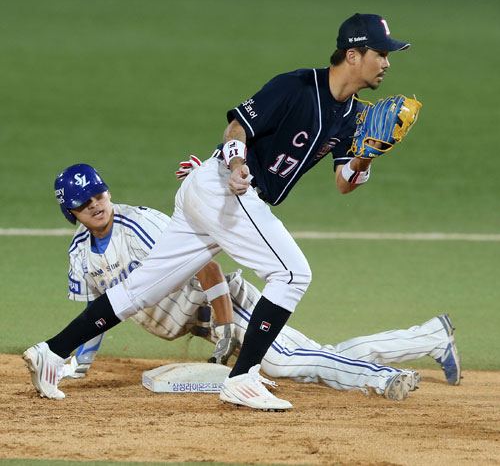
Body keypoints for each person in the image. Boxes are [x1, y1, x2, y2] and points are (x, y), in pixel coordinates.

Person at [24, 13, 426, 411]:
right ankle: (243, 377)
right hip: (221, 185)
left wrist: (365, 159)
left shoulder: (356, 115)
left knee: (138, 290)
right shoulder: (297, 86)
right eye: (381, 53)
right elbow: (236, 128)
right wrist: (237, 166)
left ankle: (51, 353)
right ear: (353, 55)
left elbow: (343, 182)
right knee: (291, 273)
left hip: (216, 198)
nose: (387, 63)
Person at [24, 163, 461, 404]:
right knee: (306, 357)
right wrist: (77, 364)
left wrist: (227, 322)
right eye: (85, 203)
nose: (96, 205)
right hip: (211, 324)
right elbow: (97, 310)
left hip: (230, 306)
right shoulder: (80, 254)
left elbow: (204, 265)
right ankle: (431, 336)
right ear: (73, 214)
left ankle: (383, 379)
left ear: (108, 193)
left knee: (290, 363)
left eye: (99, 195)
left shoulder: (139, 226)